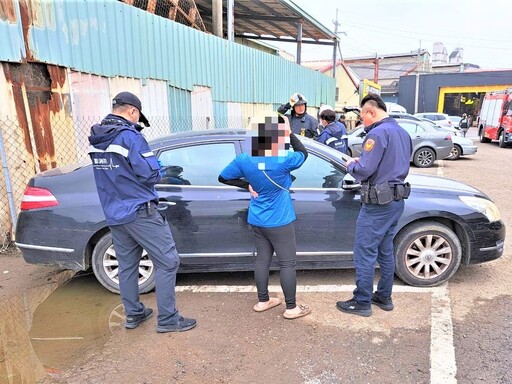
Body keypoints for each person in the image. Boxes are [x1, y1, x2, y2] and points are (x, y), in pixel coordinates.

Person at [88, 91, 196, 333]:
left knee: (127, 265)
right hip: (140, 211)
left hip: (115, 212)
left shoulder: (97, 138)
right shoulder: (129, 137)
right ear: (132, 111)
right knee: (168, 262)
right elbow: (149, 173)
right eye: (137, 117)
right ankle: (168, 319)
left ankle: (134, 314)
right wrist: (161, 169)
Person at [218, 113, 311, 320]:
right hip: (280, 220)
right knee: (287, 263)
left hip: (257, 218)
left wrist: (247, 184)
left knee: (262, 260)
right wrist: (289, 132)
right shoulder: (283, 159)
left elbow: (223, 177)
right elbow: (303, 153)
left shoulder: (245, 158)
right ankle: (291, 308)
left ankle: (263, 301)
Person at [336, 93, 412, 317]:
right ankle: (384, 297)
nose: (362, 121)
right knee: (385, 251)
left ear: (371, 112)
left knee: (364, 253)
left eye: (362, 116)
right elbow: (390, 163)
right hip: (395, 201)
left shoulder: (377, 133)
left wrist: (351, 164)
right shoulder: (402, 132)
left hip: (377, 205)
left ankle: (361, 302)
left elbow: (363, 172)